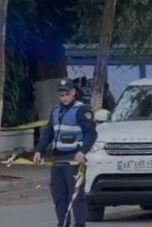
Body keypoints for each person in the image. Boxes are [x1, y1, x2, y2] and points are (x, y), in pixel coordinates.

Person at [34, 79, 97, 227]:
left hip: (74, 159)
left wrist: (82, 152)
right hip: (58, 159)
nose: (64, 98)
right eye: (61, 95)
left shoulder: (82, 111)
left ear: (73, 92)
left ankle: (79, 224)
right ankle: (62, 224)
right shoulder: (55, 111)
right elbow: (48, 133)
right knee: (59, 196)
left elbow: (91, 134)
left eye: (67, 94)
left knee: (76, 197)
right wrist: (39, 151)